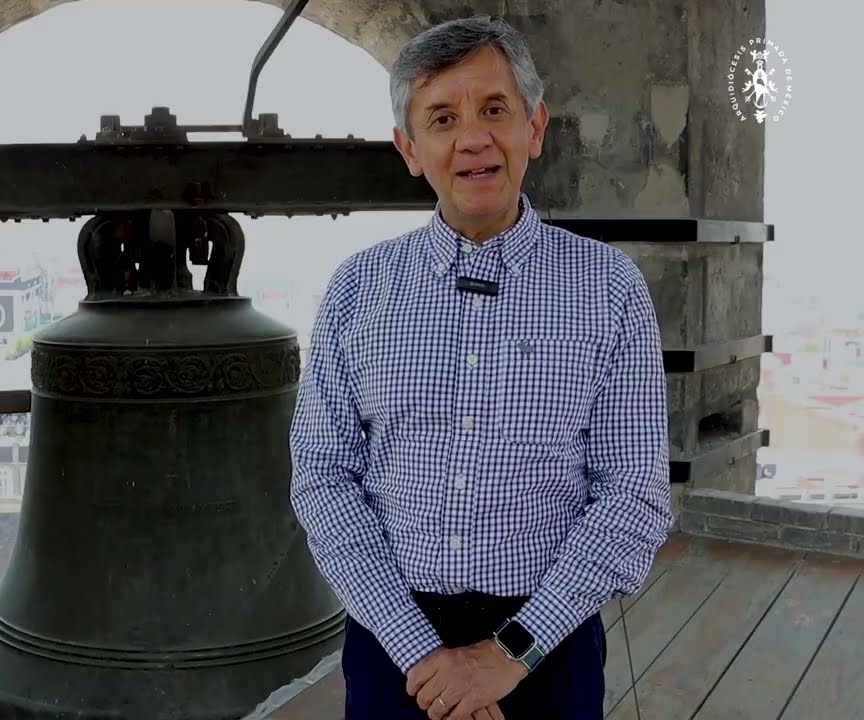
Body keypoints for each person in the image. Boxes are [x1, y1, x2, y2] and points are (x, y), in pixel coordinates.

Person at [287, 14, 674, 720]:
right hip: (392, 646)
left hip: (547, 647)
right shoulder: (357, 289)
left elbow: (633, 495)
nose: (472, 138)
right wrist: (421, 654)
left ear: (535, 126)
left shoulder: (609, 289)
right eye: (441, 118)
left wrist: (506, 656)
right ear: (409, 148)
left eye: (495, 109)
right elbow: (322, 478)